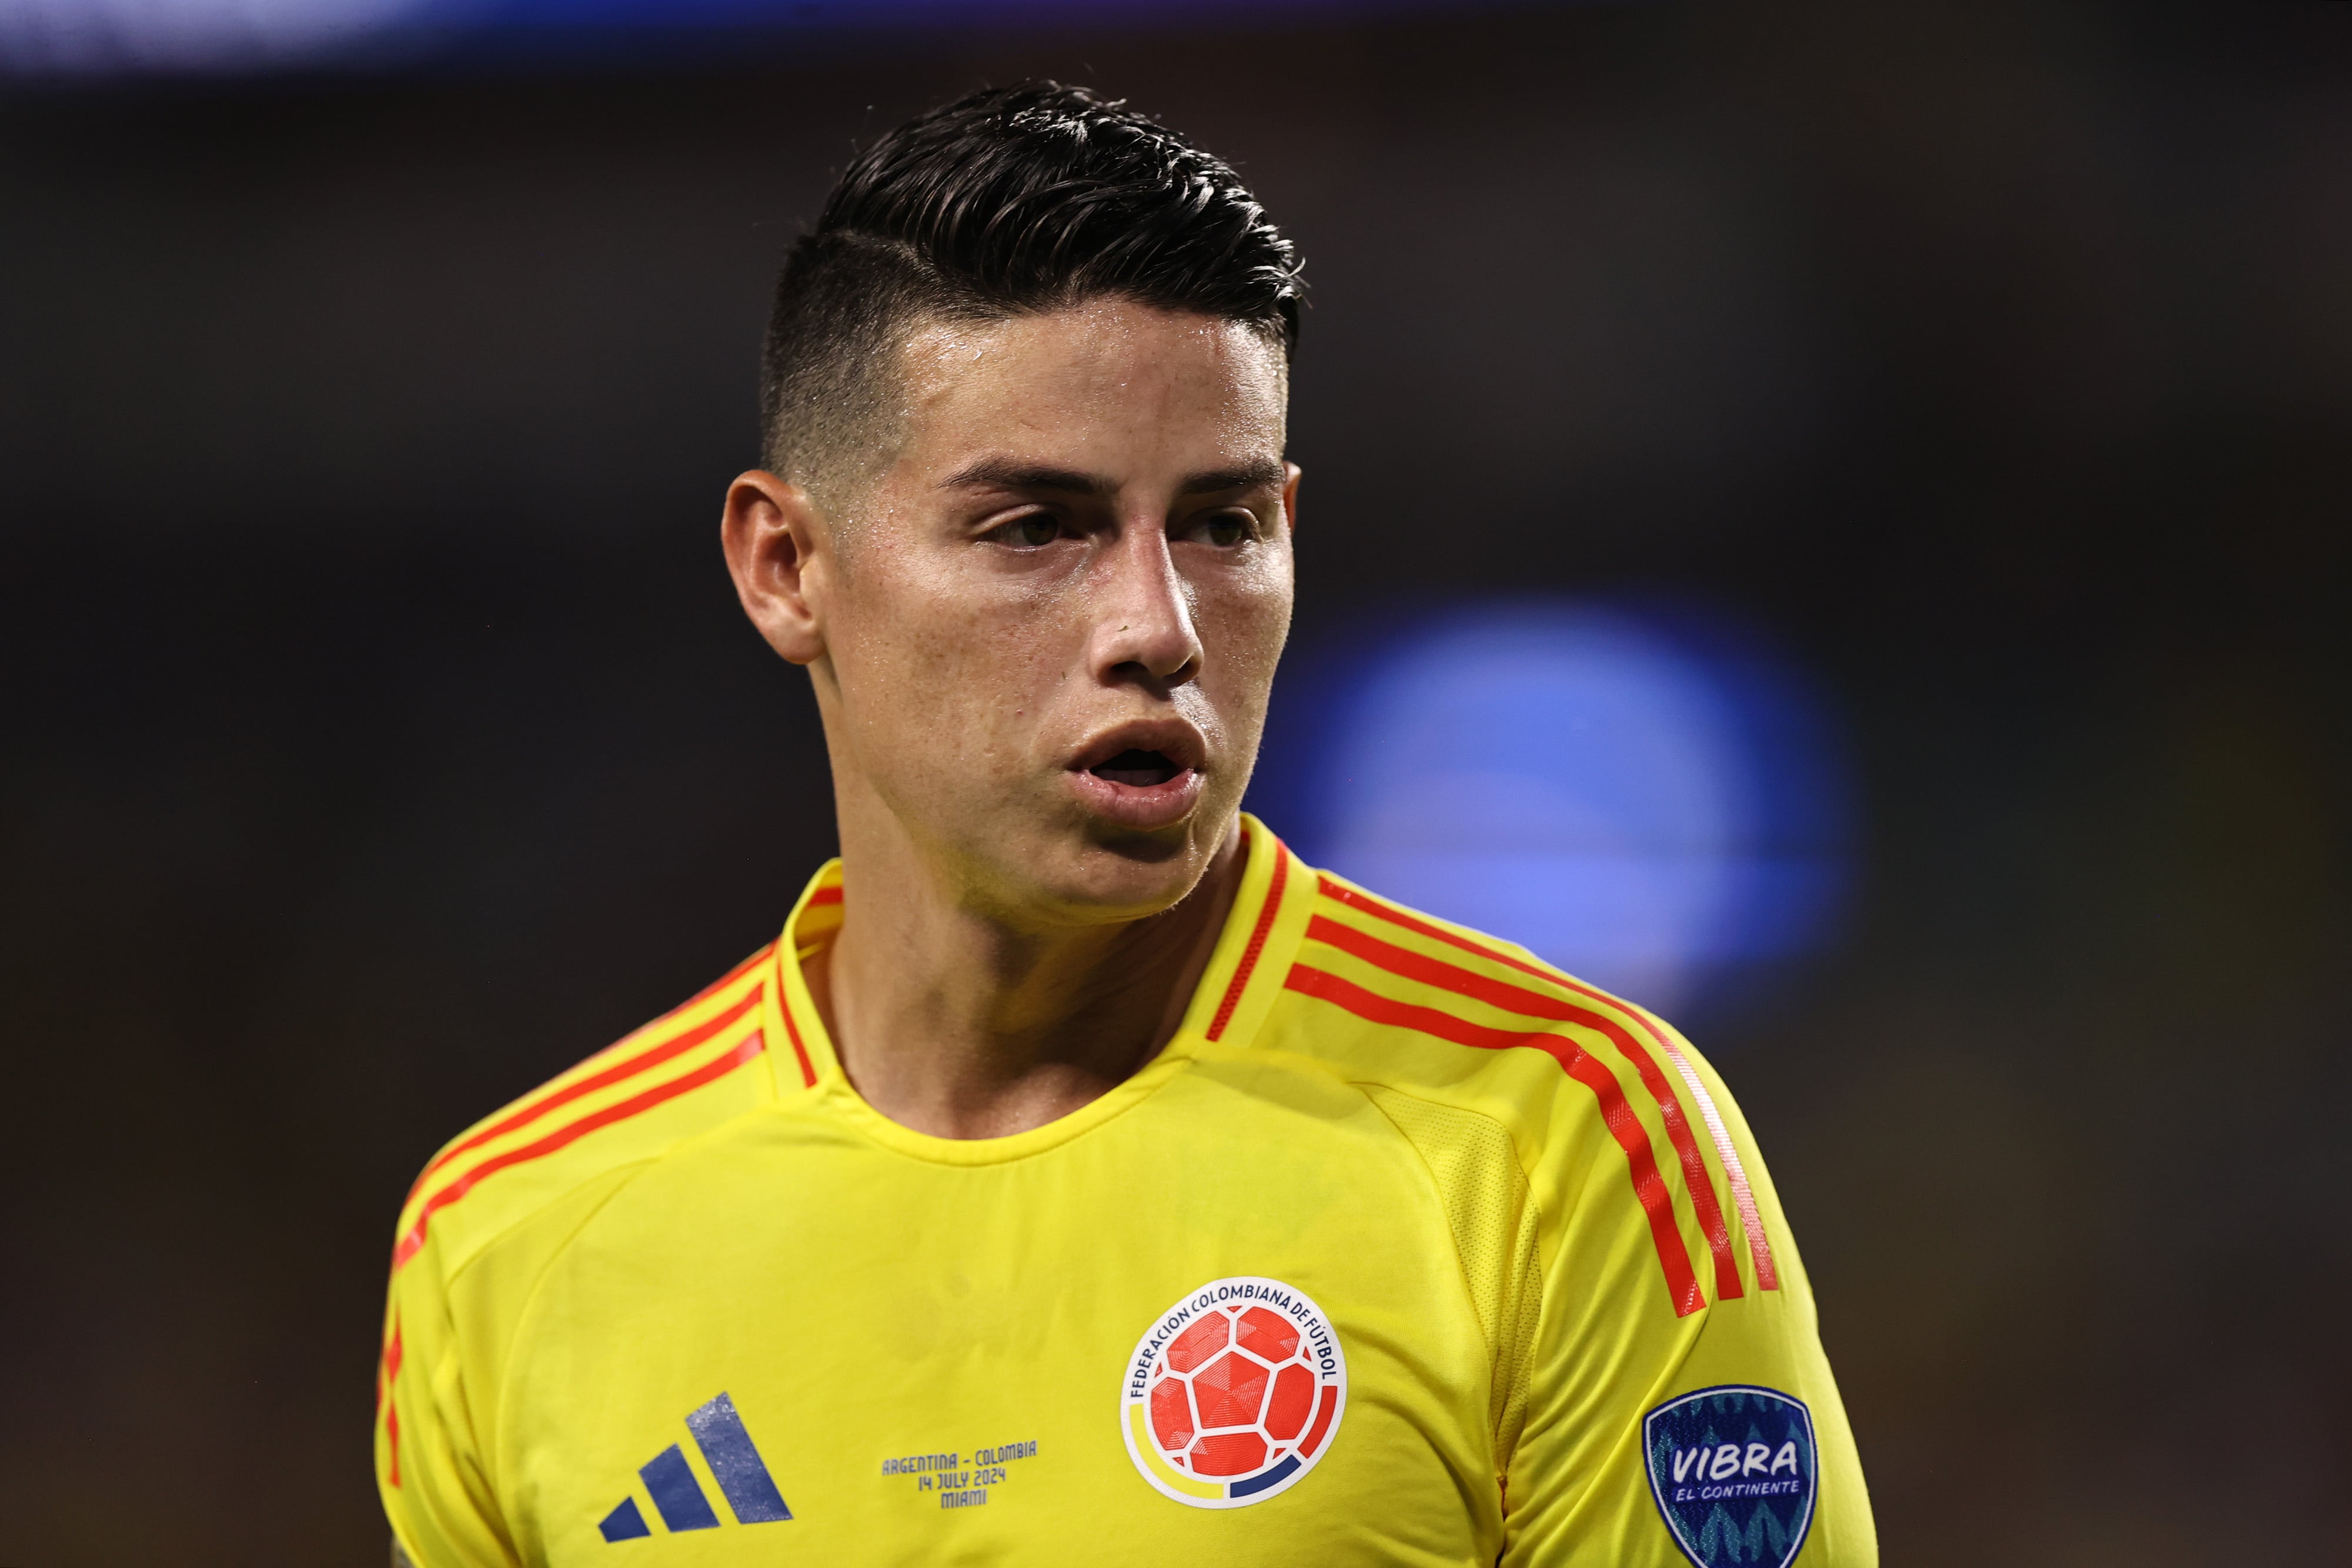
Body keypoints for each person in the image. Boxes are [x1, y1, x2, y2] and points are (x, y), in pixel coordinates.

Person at [375, 82, 1875, 1568]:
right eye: (1036, 526)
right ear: (785, 566)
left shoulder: (1565, 1142)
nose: (1157, 625)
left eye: (1223, 525)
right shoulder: (511, 1242)